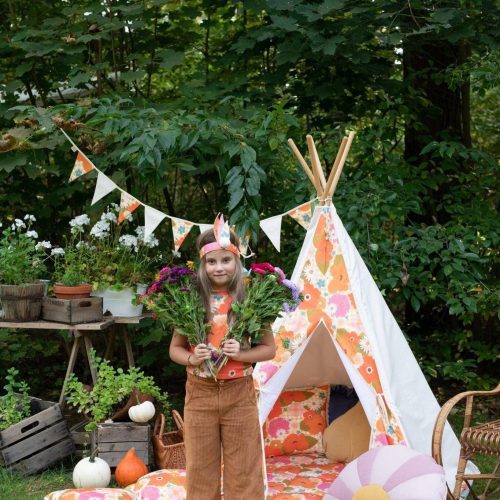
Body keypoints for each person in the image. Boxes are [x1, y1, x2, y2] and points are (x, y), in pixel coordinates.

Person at [169, 215, 276, 500]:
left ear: (237, 261)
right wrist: (192, 359)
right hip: (200, 394)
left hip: (239, 394)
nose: (219, 267)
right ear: (203, 265)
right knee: (201, 468)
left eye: (225, 260)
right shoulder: (192, 300)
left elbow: (269, 349)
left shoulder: (251, 300)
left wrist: (243, 353)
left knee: (244, 468)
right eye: (211, 261)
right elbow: (175, 349)